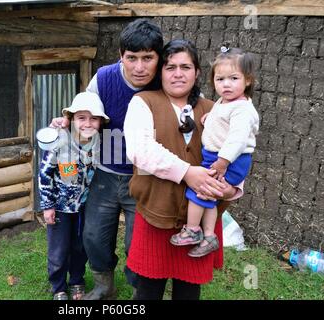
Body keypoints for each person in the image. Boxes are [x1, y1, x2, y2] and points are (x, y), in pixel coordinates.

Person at [50, 18, 164, 299]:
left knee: (138, 242)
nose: (139, 67)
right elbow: (86, 109)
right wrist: (68, 120)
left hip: (146, 177)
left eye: (148, 58)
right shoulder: (104, 77)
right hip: (104, 172)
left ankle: (142, 289)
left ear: (158, 59)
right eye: (131, 58)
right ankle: (104, 286)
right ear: (121, 56)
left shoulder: (166, 82)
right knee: (94, 237)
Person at [123, 39, 244, 300]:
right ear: (161, 72)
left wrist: (233, 187)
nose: (178, 74)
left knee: (189, 292)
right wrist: (188, 173)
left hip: (200, 222)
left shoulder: (216, 109)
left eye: (186, 67)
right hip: (156, 213)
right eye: (170, 67)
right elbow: (140, 149)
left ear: (198, 72)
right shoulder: (143, 103)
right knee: (147, 292)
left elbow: (241, 149)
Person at [170, 45, 259, 258]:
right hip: (218, 157)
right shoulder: (226, 102)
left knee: (199, 191)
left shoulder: (242, 109)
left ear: (248, 80)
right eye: (220, 79)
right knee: (209, 195)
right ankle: (209, 235)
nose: (226, 84)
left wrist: (223, 162)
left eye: (234, 78)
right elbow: (223, 120)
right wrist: (211, 119)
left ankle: (192, 230)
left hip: (228, 160)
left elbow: (237, 139)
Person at [38, 92, 109, 300]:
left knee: (81, 247)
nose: (88, 123)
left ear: (101, 121)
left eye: (93, 118)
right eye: (81, 118)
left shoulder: (100, 142)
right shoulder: (59, 141)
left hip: (86, 206)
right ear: (71, 119)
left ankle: (77, 280)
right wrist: (48, 205)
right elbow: (44, 174)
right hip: (60, 207)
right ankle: (58, 286)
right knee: (59, 250)